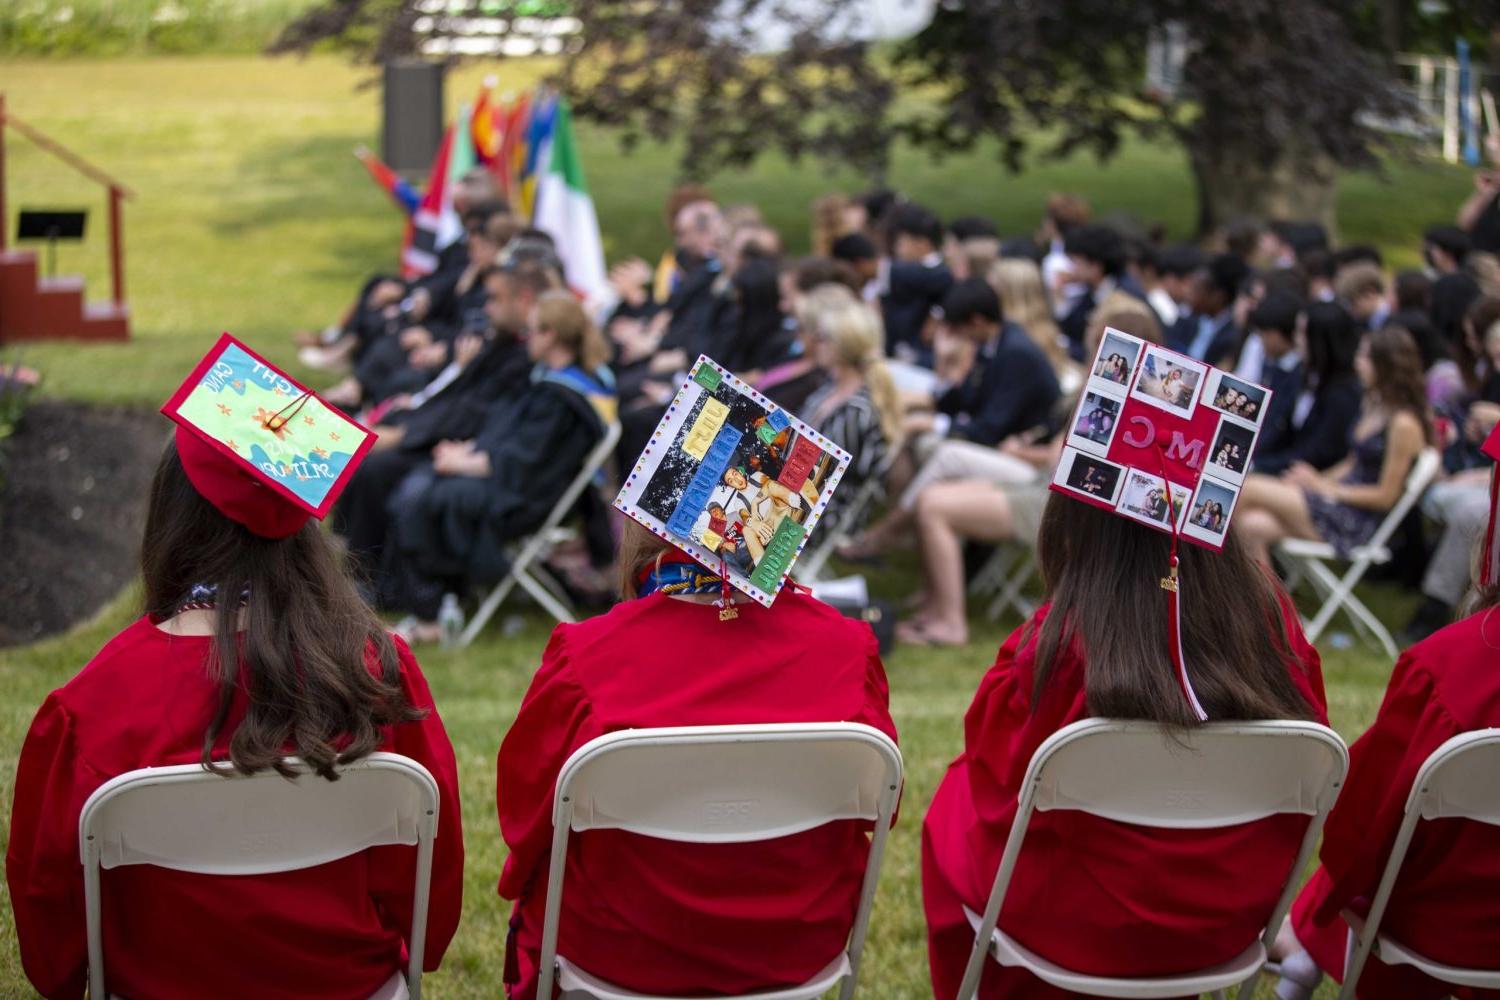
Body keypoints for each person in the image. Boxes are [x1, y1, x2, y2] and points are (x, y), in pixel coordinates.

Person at [7, 348, 465, 999]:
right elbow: (429, 872)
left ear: (171, 518)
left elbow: (50, 909)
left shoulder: (92, 706)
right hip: (347, 986)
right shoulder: (376, 672)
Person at [922, 490, 1327, 999]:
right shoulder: (1272, 629)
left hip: (1078, 931)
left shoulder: (1059, 646)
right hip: (1222, 922)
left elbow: (998, 770)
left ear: (1076, 517)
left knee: (956, 798)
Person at [495, 521, 899, 999]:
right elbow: (882, 806)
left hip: (621, 949)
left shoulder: (587, 655)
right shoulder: (847, 649)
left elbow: (526, 818)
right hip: (796, 946)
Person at [1273, 563, 1500, 999]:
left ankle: (1304, 937)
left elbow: (1358, 834)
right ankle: (1303, 937)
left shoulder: (1449, 663)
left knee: (1383, 872)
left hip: (1447, 930)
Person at [391, 291, 616, 640]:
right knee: (420, 482)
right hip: (513, 485)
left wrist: (467, 463)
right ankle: (440, 598)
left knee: (422, 497)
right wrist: (469, 451)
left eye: (532, 330)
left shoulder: (564, 397)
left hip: (526, 500)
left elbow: (525, 464)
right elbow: (511, 441)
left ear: (550, 334)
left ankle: (432, 613)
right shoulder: (551, 382)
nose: (526, 338)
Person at [1235, 326, 1432, 566]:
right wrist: (1315, 480)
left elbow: (1386, 496)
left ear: (1385, 365)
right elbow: (1352, 462)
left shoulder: (1404, 424)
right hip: (1335, 501)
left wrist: (1323, 488)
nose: (1357, 363)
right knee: (1251, 526)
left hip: (1355, 519)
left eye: (1364, 357)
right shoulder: (1374, 403)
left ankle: (1200, 571)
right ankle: (1263, 603)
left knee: (1245, 488)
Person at [801, 297, 903, 538]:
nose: (816, 343)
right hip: (801, 496)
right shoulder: (832, 387)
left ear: (843, 346)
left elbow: (825, 477)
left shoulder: (857, 410)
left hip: (819, 513)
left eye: (823, 337)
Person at [1253, 301, 1363, 475]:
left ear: (1319, 341)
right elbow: (1278, 425)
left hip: (1311, 476)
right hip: (1282, 464)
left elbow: (1318, 453)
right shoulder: (1302, 373)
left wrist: (1263, 467)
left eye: (1302, 333)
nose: (1296, 339)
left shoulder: (1343, 394)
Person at [880, 202, 954, 363]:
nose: (897, 249)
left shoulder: (938, 274)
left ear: (922, 243)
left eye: (901, 243)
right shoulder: (911, 272)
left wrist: (937, 313)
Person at [1167, 252, 1249, 367]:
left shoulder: (1233, 336)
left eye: (1196, 290)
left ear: (1217, 296)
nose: (1188, 294)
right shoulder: (1186, 320)